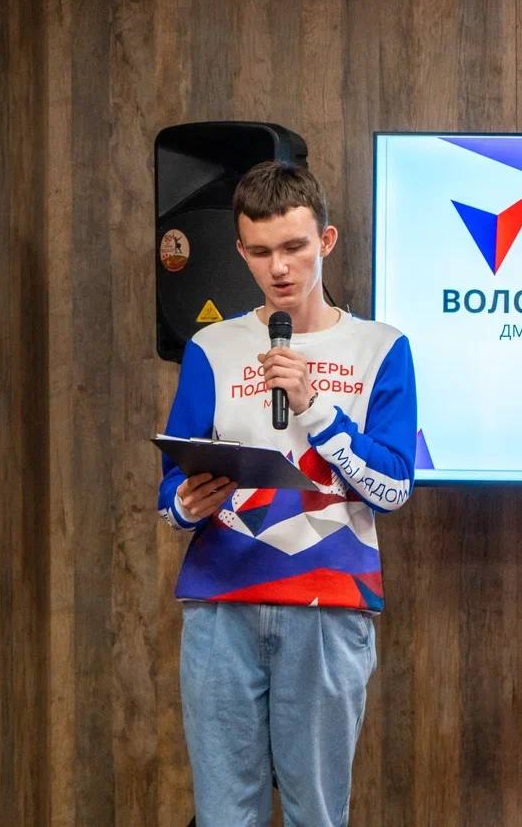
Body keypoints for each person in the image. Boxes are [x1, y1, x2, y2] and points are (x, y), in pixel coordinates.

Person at [156, 161, 416, 826]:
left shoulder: (380, 348)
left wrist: (316, 407)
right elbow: (172, 484)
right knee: (224, 815)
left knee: (316, 815)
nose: (279, 268)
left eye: (295, 247)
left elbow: (392, 488)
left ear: (325, 241)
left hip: (329, 606)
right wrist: (185, 505)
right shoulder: (212, 347)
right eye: (261, 251)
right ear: (241, 251)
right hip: (221, 606)